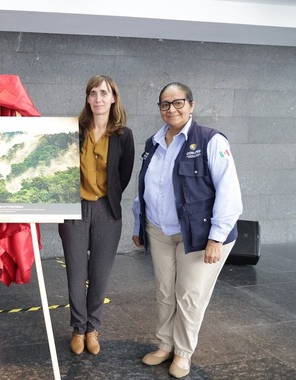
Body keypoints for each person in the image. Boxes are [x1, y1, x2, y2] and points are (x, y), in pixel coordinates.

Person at [132, 82, 243, 378]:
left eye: (178, 102)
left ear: (191, 105)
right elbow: (144, 189)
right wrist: (138, 224)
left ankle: (183, 353)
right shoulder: (153, 143)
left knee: (189, 295)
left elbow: (229, 194)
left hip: (200, 235)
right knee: (165, 291)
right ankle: (165, 344)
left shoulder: (211, 140)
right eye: (165, 104)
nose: (172, 109)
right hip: (159, 230)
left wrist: (216, 238)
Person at [58, 75, 135, 356]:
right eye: (93, 93)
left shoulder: (123, 135)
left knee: (100, 274)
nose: (98, 98)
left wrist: (108, 195)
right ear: (87, 98)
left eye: (104, 93)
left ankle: (93, 328)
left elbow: (123, 176)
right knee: (76, 274)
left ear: (113, 98)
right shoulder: (73, 130)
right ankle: (78, 329)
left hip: (107, 210)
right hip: (74, 208)